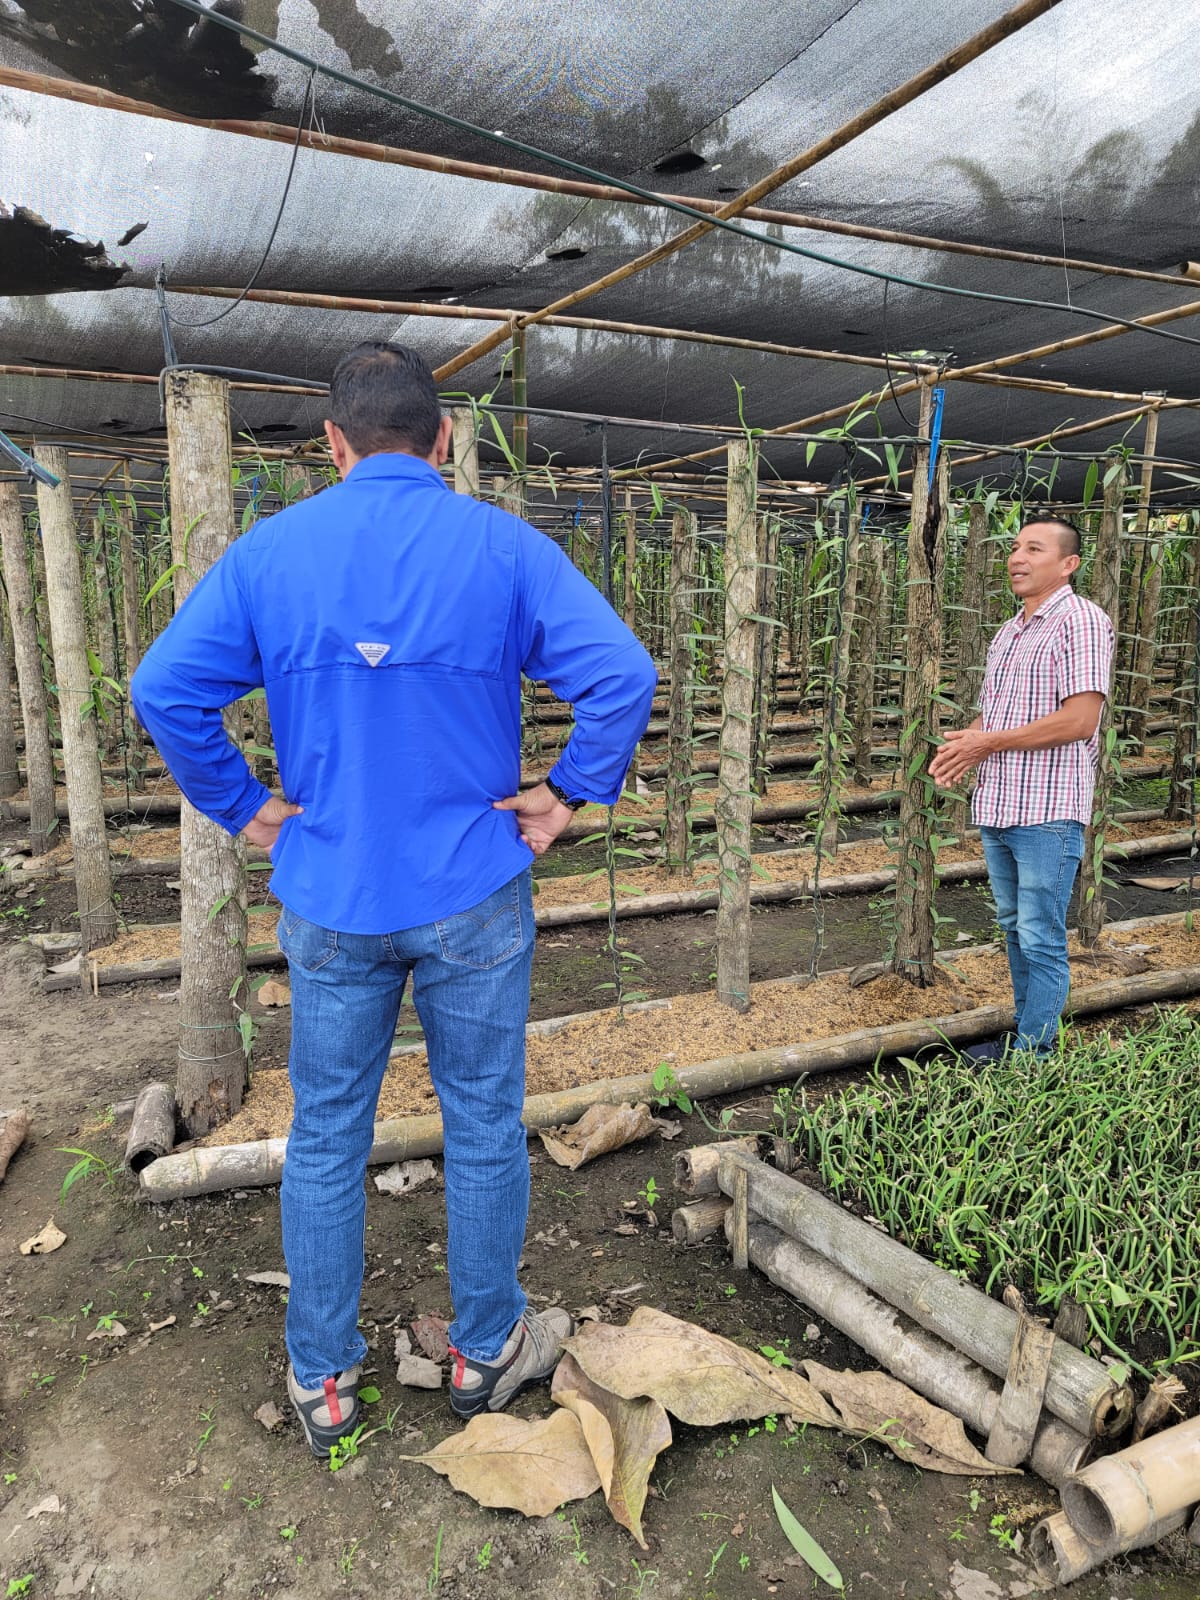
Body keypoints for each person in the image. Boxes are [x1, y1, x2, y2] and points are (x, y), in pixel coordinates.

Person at [132, 342, 657, 1456]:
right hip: (472, 888)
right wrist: (566, 793)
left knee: (326, 1132)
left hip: (332, 893)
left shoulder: (272, 554)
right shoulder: (505, 550)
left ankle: (323, 1378)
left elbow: (163, 687)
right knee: (482, 1122)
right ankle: (485, 1350)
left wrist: (246, 807)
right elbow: (623, 674)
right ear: (444, 438)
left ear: (332, 443)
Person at [928, 517, 1114, 1063]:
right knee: (1014, 928)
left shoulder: (1081, 621)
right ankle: (1025, 1035)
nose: (1017, 557)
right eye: (1014, 547)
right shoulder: (1009, 631)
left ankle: (1037, 1054)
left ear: (1069, 564)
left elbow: (1080, 720)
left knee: (1040, 935)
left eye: (1034, 548)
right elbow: (998, 714)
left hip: (1047, 808)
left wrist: (986, 743)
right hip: (1001, 803)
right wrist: (967, 745)